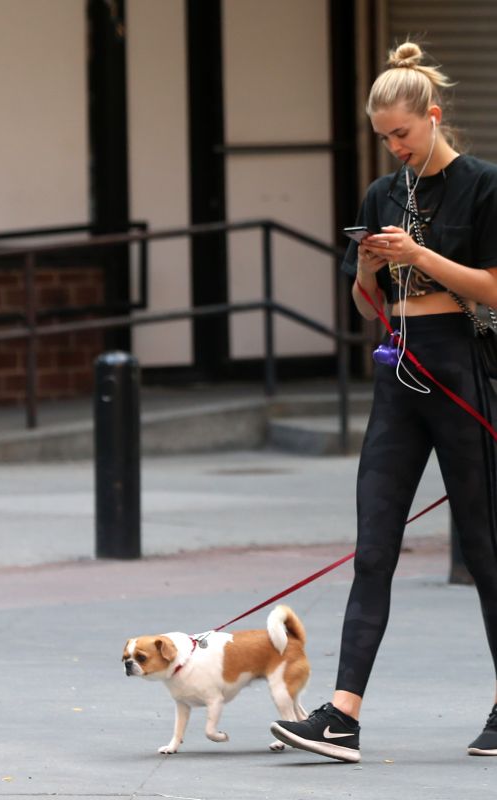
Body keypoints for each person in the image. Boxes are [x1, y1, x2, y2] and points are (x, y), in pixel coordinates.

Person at [270, 40, 497, 763]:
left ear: (431, 117)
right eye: (383, 138)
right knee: (373, 548)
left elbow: (490, 288)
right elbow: (365, 301)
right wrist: (369, 267)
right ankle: (340, 714)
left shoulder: (482, 186)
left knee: (488, 552)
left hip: (462, 371)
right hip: (397, 371)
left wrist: (420, 256)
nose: (393, 147)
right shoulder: (378, 193)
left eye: (401, 133)